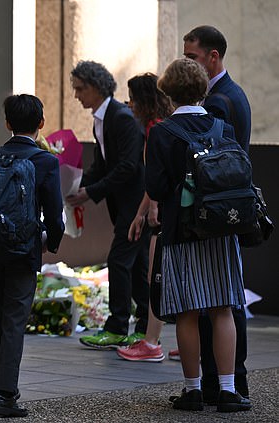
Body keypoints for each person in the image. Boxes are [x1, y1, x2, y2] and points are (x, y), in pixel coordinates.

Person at [146, 57, 251, 412]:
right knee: (223, 308)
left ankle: (192, 390)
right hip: (222, 229)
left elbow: (157, 186)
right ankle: (227, 389)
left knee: (188, 313)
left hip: (181, 230)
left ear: (169, 92)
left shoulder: (162, 133)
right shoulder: (223, 128)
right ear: (203, 89)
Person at [0, 94, 64, 417]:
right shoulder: (45, 162)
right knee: (15, 319)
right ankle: (3, 394)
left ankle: (2, 385)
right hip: (25, 248)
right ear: (41, 124)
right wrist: (50, 240)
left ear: (7, 124)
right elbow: (55, 214)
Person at [183, 25, 252, 400]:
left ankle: (226, 381)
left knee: (222, 300)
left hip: (219, 211)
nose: (187, 63)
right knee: (222, 299)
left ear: (213, 57)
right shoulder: (228, 94)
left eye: (191, 57)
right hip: (225, 210)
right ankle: (223, 382)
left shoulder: (221, 100)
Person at [66, 60, 150, 349]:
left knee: (119, 260)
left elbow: (128, 166)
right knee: (136, 264)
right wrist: (77, 186)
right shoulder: (102, 119)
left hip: (135, 204)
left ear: (95, 87)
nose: (76, 95)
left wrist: (90, 192)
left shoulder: (121, 117)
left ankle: (117, 326)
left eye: (79, 89)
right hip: (126, 204)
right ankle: (144, 326)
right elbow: (103, 164)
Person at [116, 73, 174, 362]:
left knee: (156, 275)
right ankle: (181, 339)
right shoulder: (166, 123)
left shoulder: (155, 129)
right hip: (169, 208)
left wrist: (146, 212)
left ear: (144, 100)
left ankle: (151, 342)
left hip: (163, 212)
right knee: (163, 275)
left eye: (133, 98)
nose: (129, 104)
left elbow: (154, 178)